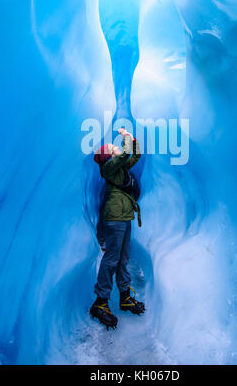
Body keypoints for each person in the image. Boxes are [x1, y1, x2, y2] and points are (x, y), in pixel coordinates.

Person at [90, 128, 145, 329]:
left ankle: (124, 296)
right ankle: (101, 302)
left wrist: (131, 139)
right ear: (108, 156)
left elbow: (135, 155)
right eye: (111, 147)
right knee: (112, 258)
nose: (114, 147)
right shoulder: (109, 168)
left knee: (123, 258)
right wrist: (125, 137)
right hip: (116, 217)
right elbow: (124, 156)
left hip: (125, 216)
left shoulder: (118, 168)